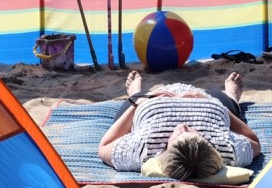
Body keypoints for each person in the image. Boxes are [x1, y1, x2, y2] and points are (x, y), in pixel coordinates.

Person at [98, 71, 261, 180]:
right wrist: (218, 106)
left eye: (179, 135)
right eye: (192, 132)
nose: (183, 126)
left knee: (127, 108)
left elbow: (104, 146)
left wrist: (139, 102)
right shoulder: (226, 150)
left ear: (166, 150)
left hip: (151, 100)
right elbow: (254, 141)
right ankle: (232, 95)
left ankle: (134, 92)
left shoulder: (143, 150)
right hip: (204, 99)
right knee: (228, 102)